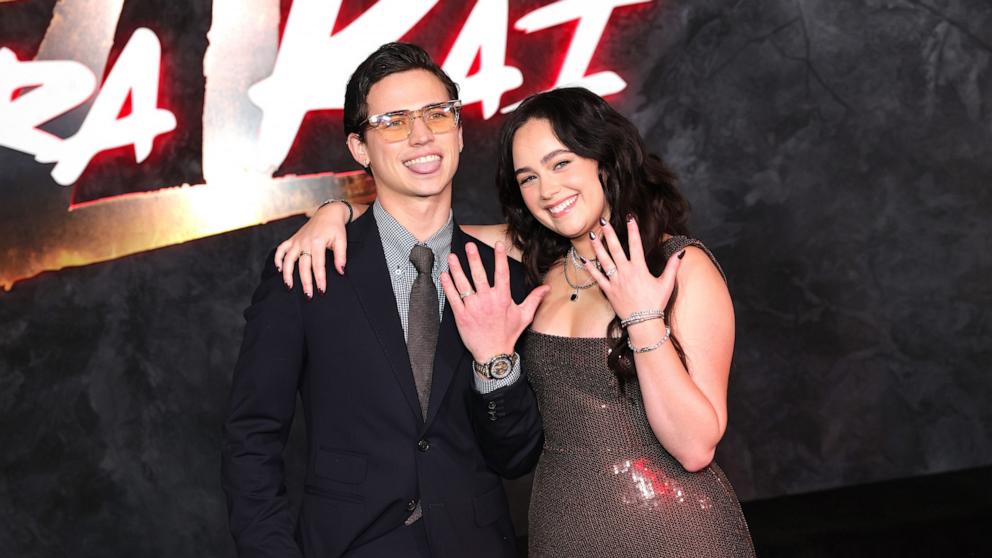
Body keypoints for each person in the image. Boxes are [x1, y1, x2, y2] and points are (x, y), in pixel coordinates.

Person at [277, 86, 755, 557]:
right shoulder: (536, 261)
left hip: (676, 535)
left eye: (561, 163)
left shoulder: (679, 266)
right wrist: (334, 210)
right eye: (528, 178)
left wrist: (642, 317)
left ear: (604, 159)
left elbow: (696, 448)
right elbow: (415, 223)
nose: (548, 191)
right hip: (560, 534)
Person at [221, 42, 548, 558]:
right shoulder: (309, 263)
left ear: (460, 132)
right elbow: (252, 437)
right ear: (359, 147)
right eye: (393, 121)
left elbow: (517, 455)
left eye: (437, 115)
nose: (421, 135)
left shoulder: (504, 277)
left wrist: (495, 365)